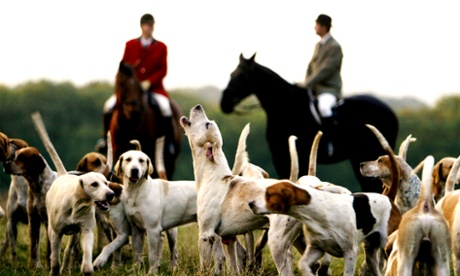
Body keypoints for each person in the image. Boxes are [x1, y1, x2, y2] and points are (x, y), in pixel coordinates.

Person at [97, 13, 174, 153]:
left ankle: (169, 144)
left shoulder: (161, 47)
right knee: (108, 106)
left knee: (165, 107)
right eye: (147, 25)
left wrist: (149, 82)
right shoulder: (130, 45)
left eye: (151, 25)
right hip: (131, 89)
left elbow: (163, 70)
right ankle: (104, 140)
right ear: (142, 26)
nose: (149, 27)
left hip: (153, 88)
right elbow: (124, 67)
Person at [299, 14, 343, 156]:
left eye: (317, 24)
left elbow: (326, 70)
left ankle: (330, 143)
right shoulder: (318, 45)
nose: (314, 27)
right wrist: (305, 83)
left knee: (324, 108)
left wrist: (308, 83)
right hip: (315, 88)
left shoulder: (335, 47)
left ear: (323, 27)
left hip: (329, 89)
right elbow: (311, 67)